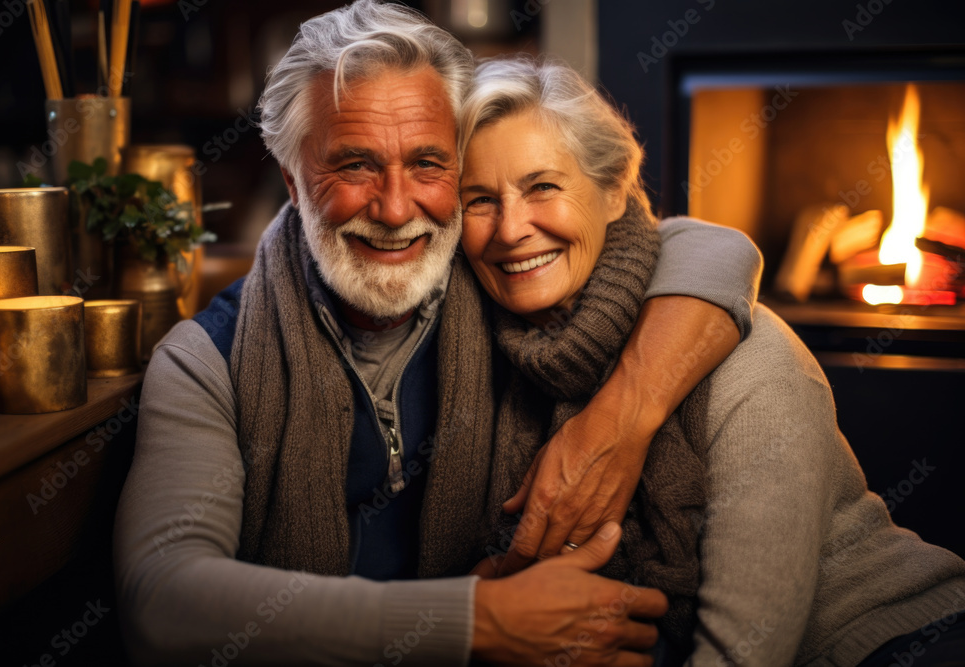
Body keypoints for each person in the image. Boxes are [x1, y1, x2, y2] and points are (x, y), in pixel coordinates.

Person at [113, 2, 763, 664]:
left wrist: (622, 416)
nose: (396, 210)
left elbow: (702, 248)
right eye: (355, 165)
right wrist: (471, 621)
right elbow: (160, 601)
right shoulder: (206, 363)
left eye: (428, 163)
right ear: (293, 180)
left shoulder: (503, 270)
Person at [456, 55, 965, 666]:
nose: (511, 229)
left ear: (614, 190)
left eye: (543, 187)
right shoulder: (471, 352)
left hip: (888, 643)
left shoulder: (748, 357)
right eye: (479, 200)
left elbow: (746, 653)